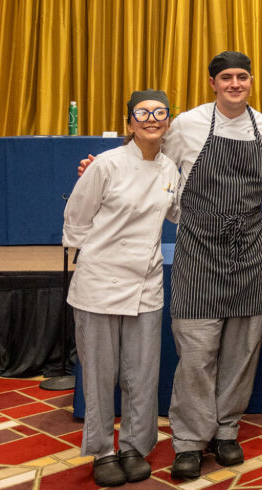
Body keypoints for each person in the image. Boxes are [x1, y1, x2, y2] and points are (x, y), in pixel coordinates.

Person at [78, 51, 262, 482]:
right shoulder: (187, 124)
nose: (234, 84)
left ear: (251, 81)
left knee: (241, 352)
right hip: (198, 252)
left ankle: (226, 430)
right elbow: (146, 157)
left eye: (242, 77)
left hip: (248, 251)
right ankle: (189, 440)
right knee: (196, 354)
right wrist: (97, 164)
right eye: (225, 77)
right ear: (212, 83)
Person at [63, 90, 181, 487]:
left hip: (146, 285)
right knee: (99, 374)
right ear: (130, 121)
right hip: (99, 283)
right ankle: (101, 450)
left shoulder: (170, 169)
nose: (152, 119)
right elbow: (76, 219)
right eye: (143, 113)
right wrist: (96, 258)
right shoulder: (106, 165)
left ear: (168, 121)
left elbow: (180, 212)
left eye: (159, 113)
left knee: (142, 373)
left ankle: (134, 445)